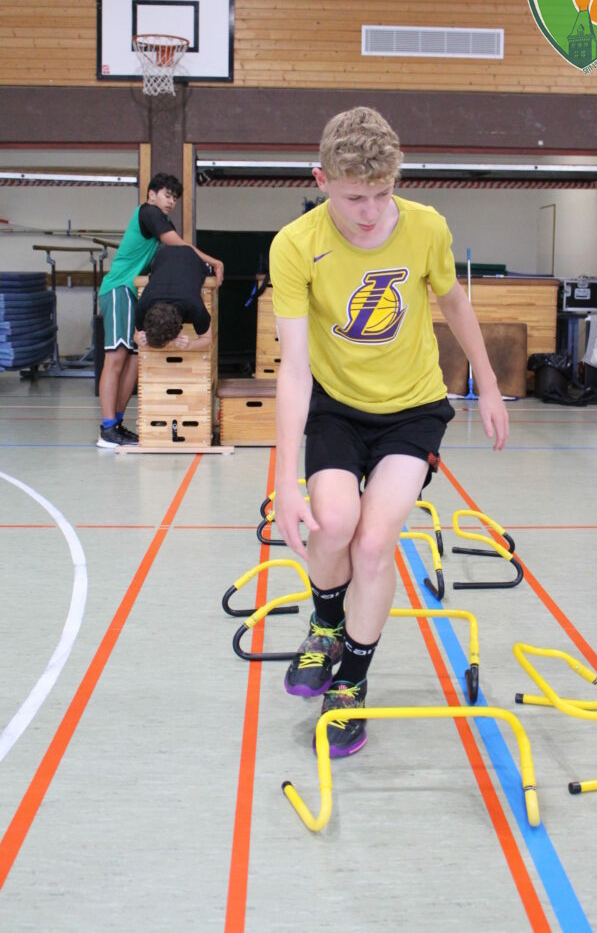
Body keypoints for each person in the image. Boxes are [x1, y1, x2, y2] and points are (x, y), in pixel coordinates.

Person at [269, 106, 509, 758]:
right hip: (336, 407)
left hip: (413, 409)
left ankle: (350, 684)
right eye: (355, 198)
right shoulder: (295, 245)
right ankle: (325, 625)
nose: (371, 212)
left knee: (375, 543)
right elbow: (294, 368)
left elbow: (454, 303)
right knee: (333, 524)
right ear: (322, 180)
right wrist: (284, 482)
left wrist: (488, 384)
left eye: (382, 194)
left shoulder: (425, 227)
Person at [96, 173, 223, 448]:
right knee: (116, 359)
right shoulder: (148, 212)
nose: (171, 202)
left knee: (134, 359)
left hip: (132, 292)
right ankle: (107, 429)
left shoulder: (161, 222)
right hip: (119, 288)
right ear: (151, 194)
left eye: (175, 198)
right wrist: (214, 262)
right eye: (167, 195)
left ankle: (116, 423)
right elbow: (181, 247)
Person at [133, 243, 214, 352]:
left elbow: (208, 339)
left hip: (190, 256)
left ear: (179, 329)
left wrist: (190, 345)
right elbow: (136, 335)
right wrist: (138, 338)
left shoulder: (194, 306)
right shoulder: (143, 306)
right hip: (163, 254)